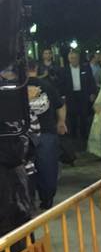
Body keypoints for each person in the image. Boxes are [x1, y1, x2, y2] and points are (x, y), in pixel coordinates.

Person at [26, 58, 66, 210]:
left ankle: (29, 199)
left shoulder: (17, 87)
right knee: (48, 168)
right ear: (36, 68)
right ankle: (47, 199)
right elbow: (60, 105)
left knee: (26, 168)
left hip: (25, 134)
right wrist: (61, 122)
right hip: (47, 132)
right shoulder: (47, 85)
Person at [58, 49, 97, 152]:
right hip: (71, 96)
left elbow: (91, 81)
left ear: (78, 58)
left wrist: (92, 93)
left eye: (75, 58)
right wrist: (62, 96)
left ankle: (84, 138)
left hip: (83, 95)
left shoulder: (85, 68)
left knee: (84, 117)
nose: (73, 60)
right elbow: (61, 84)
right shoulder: (64, 70)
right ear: (68, 59)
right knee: (72, 118)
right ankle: (73, 138)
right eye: (71, 58)